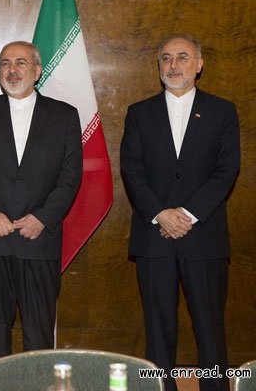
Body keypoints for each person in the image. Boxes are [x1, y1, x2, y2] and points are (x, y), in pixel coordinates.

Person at [120, 34, 240, 391]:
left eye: (183, 57)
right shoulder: (138, 113)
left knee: (210, 329)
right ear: (159, 66)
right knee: (157, 331)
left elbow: (227, 170)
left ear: (199, 65)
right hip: (153, 236)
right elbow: (132, 170)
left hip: (203, 237)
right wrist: (161, 213)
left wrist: (187, 213)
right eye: (167, 58)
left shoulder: (222, 111)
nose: (174, 65)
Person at [0, 41, 82, 364]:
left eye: (21, 63)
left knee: (39, 332)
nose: (12, 70)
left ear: (37, 71)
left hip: (39, 239)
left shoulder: (65, 116)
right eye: (5, 63)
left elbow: (70, 176)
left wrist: (42, 218)